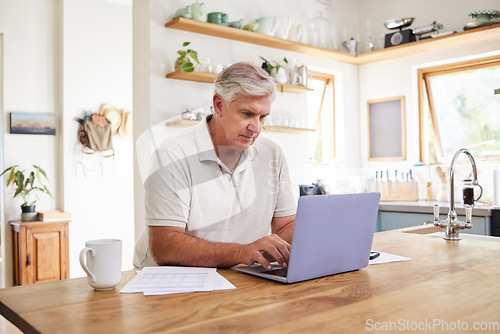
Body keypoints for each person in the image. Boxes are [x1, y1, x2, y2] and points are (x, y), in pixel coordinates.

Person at [133, 62, 296, 270]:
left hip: (238, 275)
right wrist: (241, 252)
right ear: (219, 105)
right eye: (247, 114)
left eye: (263, 117)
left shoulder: (273, 154)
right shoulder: (172, 154)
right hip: (169, 281)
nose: (256, 127)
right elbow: (165, 246)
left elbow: (286, 225)